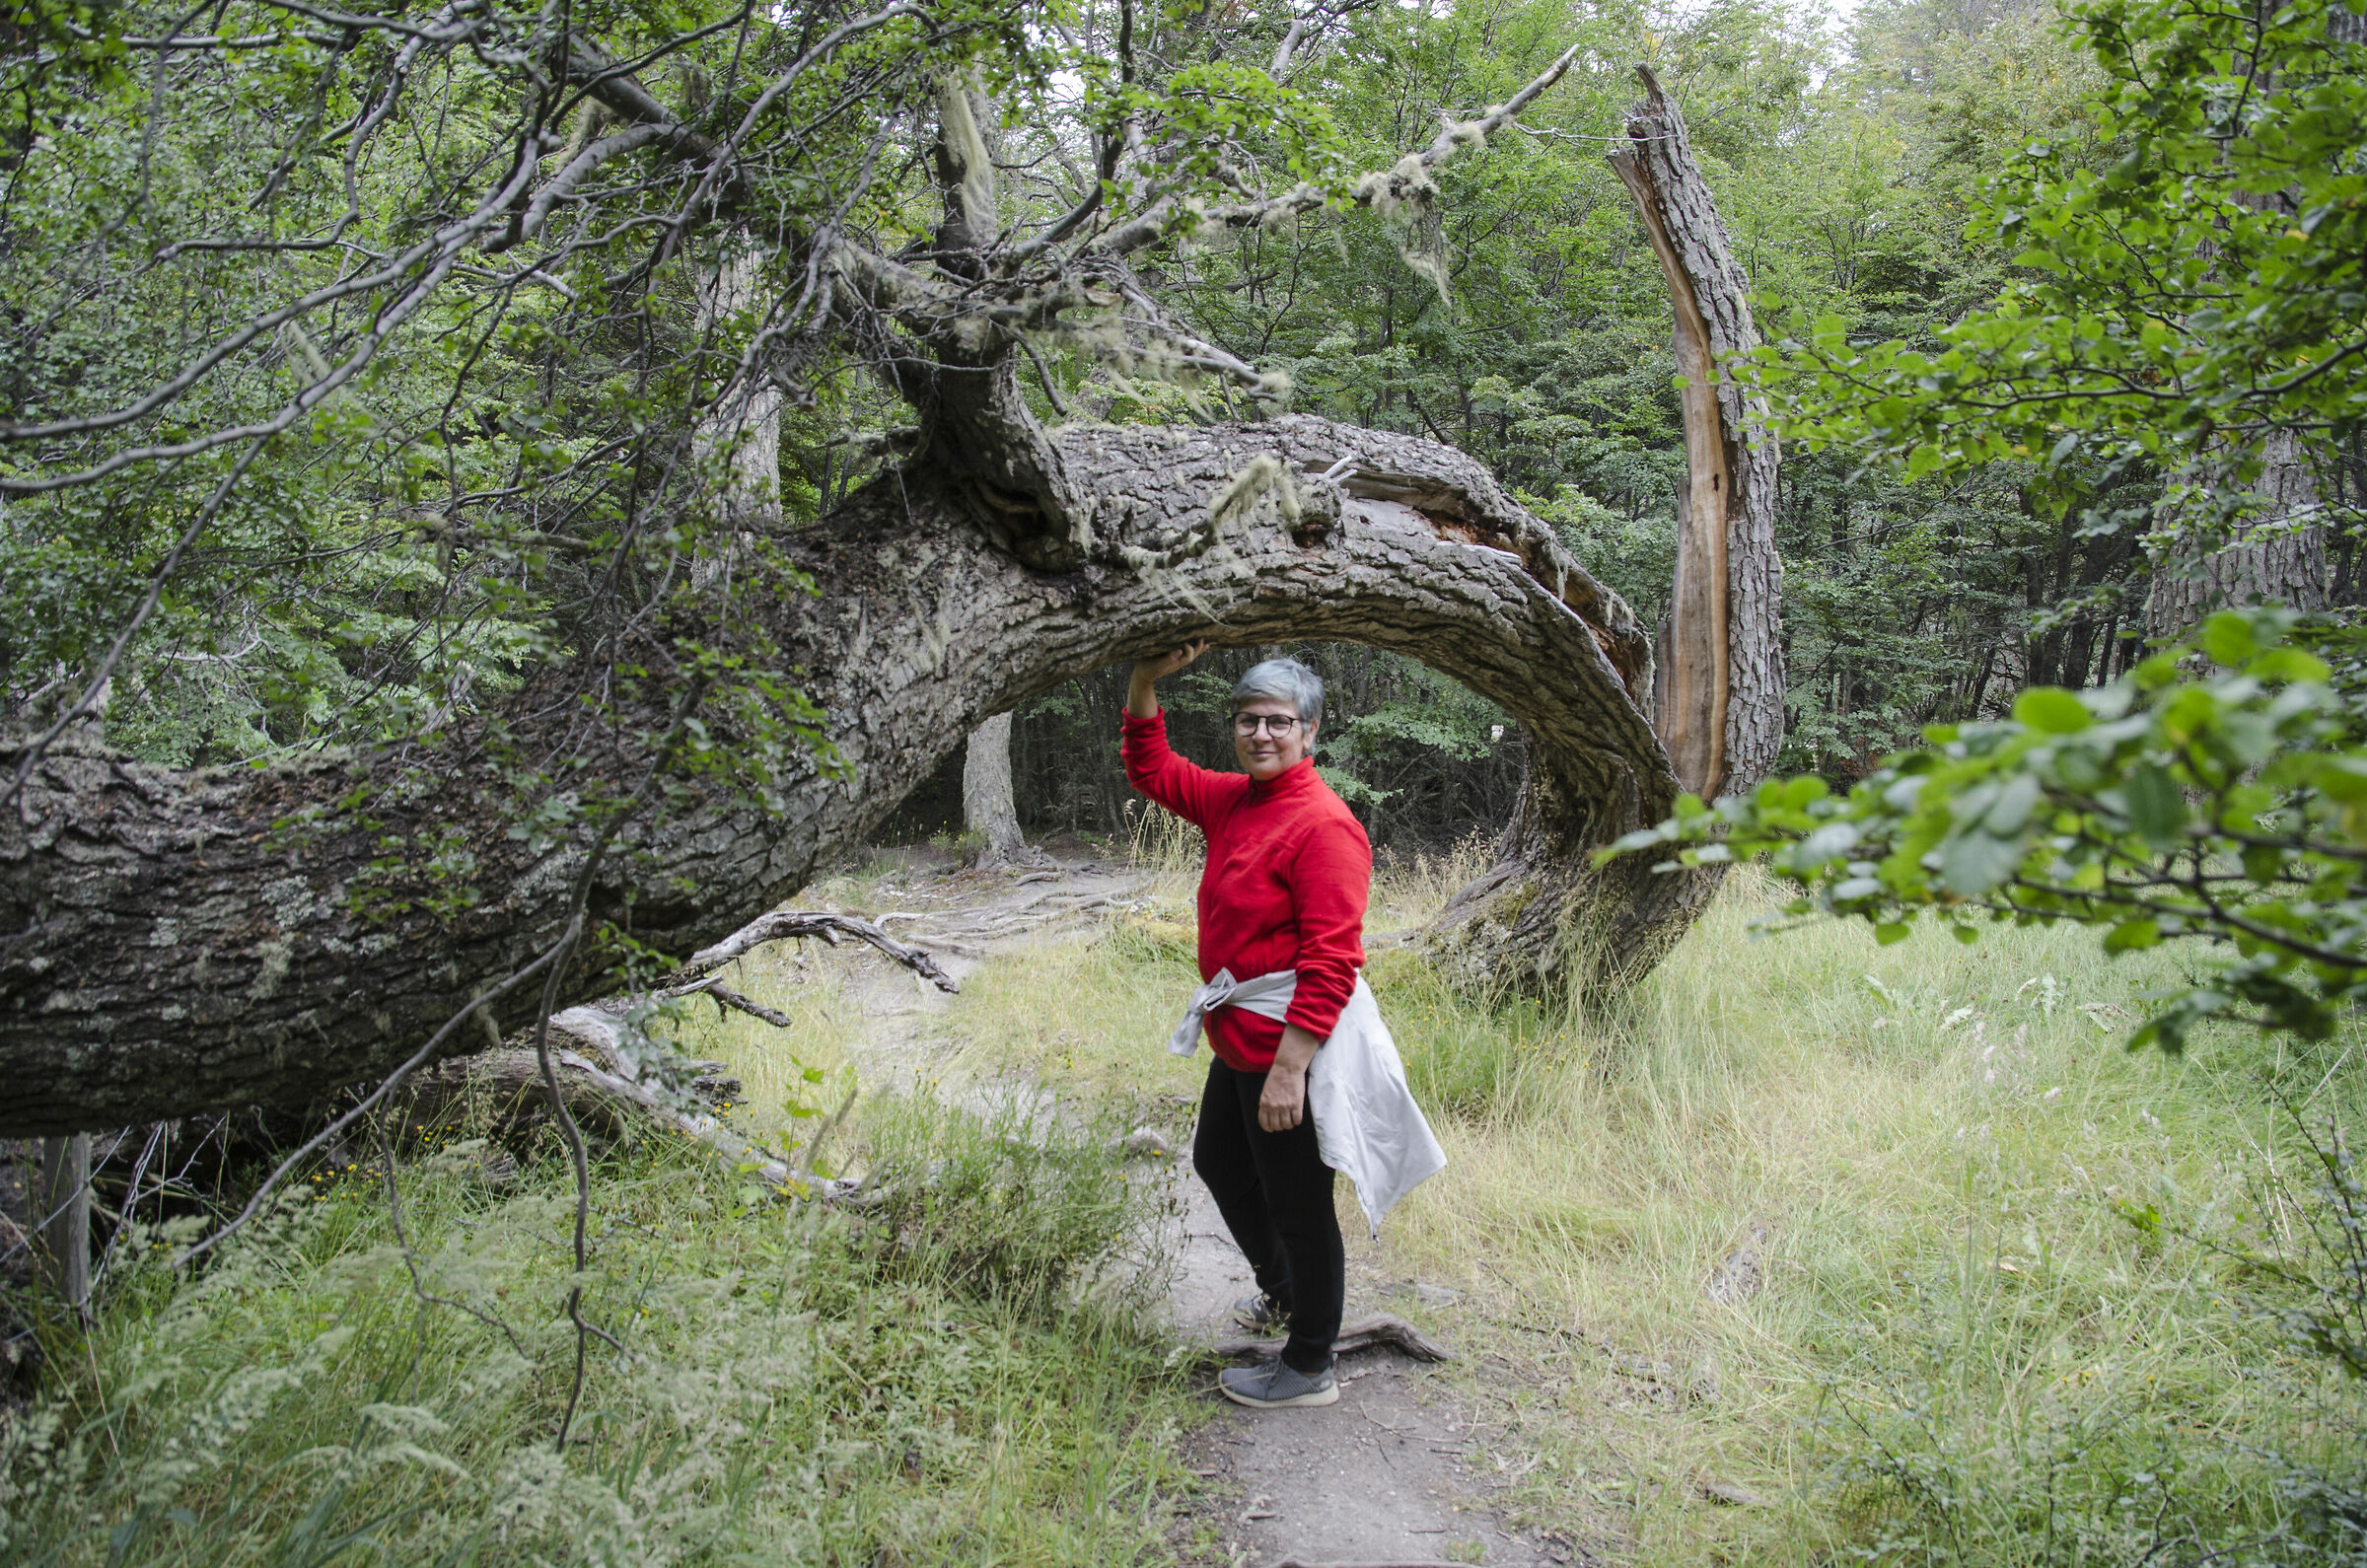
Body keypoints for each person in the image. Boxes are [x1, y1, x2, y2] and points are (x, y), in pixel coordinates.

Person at [1123, 644, 1370, 1409]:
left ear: (1311, 731)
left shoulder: (1325, 825)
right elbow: (1152, 770)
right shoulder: (1237, 800)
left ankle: (1309, 1365)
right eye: (1247, 720)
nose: (1261, 734)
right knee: (1221, 1164)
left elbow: (1333, 961)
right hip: (1237, 1039)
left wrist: (1291, 1069)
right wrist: (1143, 682)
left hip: (1284, 1045)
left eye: (1278, 722)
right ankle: (1286, 1292)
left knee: (1300, 1205)